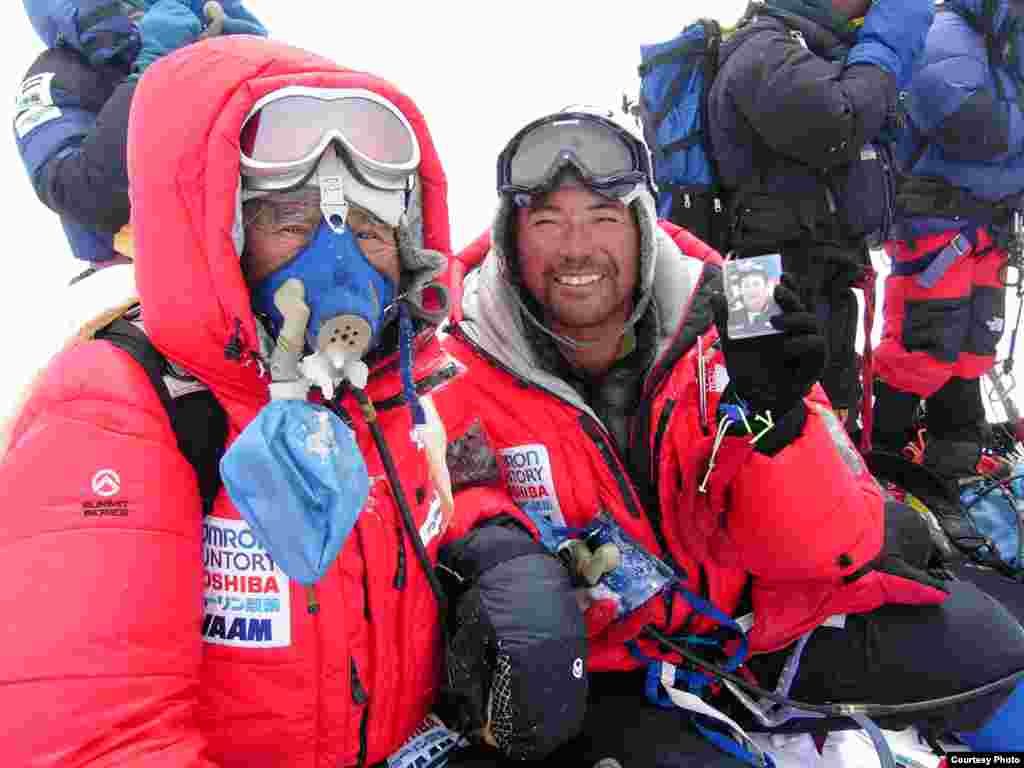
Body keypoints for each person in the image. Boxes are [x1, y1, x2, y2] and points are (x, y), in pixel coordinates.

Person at [0, 36, 589, 767]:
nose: (337, 260)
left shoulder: (387, 387)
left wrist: (495, 551)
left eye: (370, 228)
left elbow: (441, 495)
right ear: (217, 234)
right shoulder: (120, 412)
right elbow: (92, 740)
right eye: (291, 221)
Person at [441, 108, 1024, 766]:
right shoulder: (455, 365)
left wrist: (779, 425)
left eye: (603, 218)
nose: (577, 247)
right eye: (548, 222)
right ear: (510, 240)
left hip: (757, 620)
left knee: (998, 661)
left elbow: (831, 547)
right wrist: (495, 545)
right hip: (607, 669)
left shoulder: (738, 322)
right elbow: (435, 510)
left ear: (642, 229)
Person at [706, 0, 934, 426]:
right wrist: (886, 45)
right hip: (763, 276)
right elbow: (835, 125)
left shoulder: (804, 50)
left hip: (817, 270)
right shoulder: (763, 49)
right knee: (773, 423)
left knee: (829, 411)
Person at [872, 0, 1024, 481]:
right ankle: (884, 461)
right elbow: (968, 121)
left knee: (974, 346)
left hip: (985, 227)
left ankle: (952, 467)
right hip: (936, 226)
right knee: (923, 346)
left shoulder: (999, 44)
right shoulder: (947, 31)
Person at [14, 0, 266, 279]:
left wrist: (249, 53)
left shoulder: (212, 32)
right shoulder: (57, 78)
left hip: (272, 245)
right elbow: (84, 193)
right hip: (144, 282)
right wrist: (156, 71)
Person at [727, 260, 778, 337]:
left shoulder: (778, 312)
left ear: (767, 287)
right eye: (746, 285)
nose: (751, 290)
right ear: (741, 290)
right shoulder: (732, 318)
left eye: (756, 284)